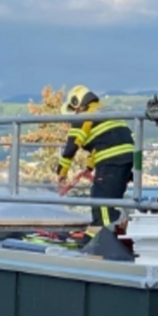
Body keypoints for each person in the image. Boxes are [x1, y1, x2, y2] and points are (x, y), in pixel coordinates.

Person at [56, 85, 135, 242]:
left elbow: (71, 148)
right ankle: (97, 236)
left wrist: (61, 173)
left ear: (77, 104)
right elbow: (103, 141)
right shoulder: (104, 110)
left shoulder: (83, 116)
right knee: (110, 200)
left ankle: (102, 240)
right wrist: (89, 167)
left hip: (111, 161)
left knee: (101, 201)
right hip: (126, 160)